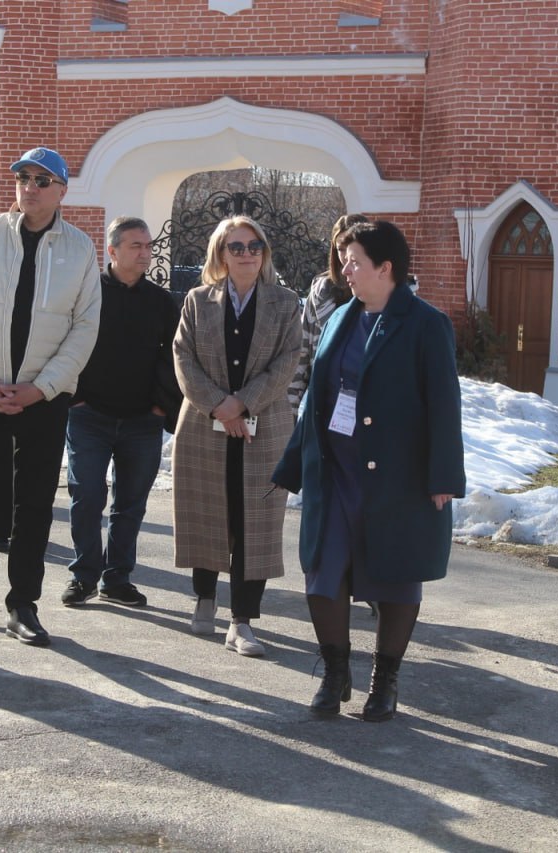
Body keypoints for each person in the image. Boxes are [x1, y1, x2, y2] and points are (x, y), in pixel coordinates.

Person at [272, 221, 465, 720]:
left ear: (386, 268)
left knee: (396, 577)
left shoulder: (426, 324)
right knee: (322, 573)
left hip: (397, 478)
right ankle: (335, 673)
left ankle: (386, 681)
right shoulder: (339, 316)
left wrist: (443, 476)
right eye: (343, 258)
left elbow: (445, 403)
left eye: (354, 260)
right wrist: (294, 461)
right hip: (334, 473)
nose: (345, 270)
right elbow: (318, 397)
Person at [0, 146, 100, 647]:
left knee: (33, 500)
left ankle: (22, 604)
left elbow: (84, 327)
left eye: (42, 180)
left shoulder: (79, 249)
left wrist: (42, 387)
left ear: (61, 191)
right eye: (23, 177)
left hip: (42, 394)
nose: (29, 186)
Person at [172, 216, 301, 657]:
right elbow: (183, 358)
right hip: (203, 425)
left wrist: (241, 403)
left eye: (254, 245)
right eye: (236, 247)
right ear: (220, 254)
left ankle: (242, 620)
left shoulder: (286, 304)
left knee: (256, 523)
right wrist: (219, 406)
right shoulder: (196, 300)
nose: (246, 253)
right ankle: (205, 597)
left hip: (263, 427)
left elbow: (286, 363)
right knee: (207, 511)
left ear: (264, 252)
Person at [61, 217, 182, 609]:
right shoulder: (87, 293)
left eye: (148, 245)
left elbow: (173, 358)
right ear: (112, 251)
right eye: (135, 245)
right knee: (87, 495)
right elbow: (64, 343)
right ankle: (83, 576)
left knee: (130, 503)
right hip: (89, 415)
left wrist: (161, 407)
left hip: (142, 421)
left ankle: (117, 578)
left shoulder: (162, 301)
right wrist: (74, 398)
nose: (145, 252)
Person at [287, 213, 369, 412]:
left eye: (352, 248)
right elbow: (303, 349)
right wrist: (290, 407)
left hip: (370, 401)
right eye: (341, 249)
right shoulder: (322, 290)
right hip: (326, 398)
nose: (346, 256)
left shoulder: (381, 291)